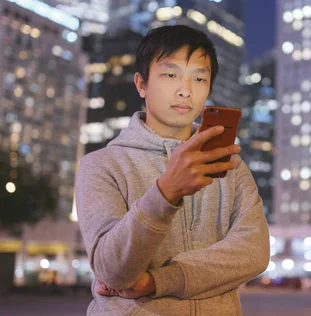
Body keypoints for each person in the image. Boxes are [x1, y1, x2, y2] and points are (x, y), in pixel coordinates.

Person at [75, 25, 270, 315]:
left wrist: (158, 281)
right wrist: (165, 194)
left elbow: (254, 252)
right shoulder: (102, 165)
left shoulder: (229, 164)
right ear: (141, 84)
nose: (185, 90)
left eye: (199, 78)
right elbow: (113, 271)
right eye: (170, 74)